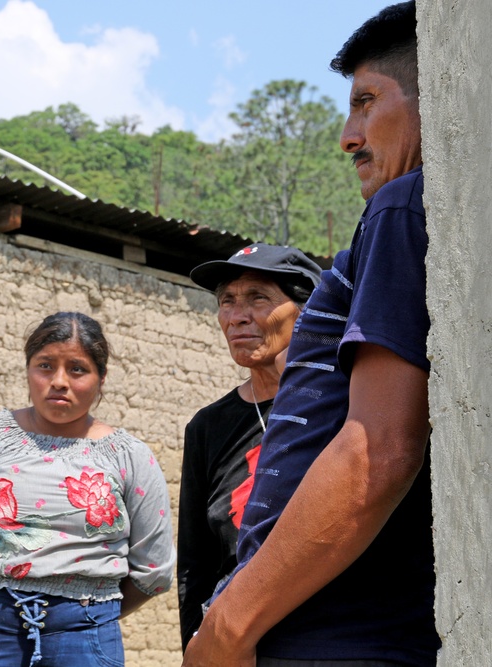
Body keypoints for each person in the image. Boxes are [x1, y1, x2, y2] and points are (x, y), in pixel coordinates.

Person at [183, 3, 437, 665]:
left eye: (366, 101)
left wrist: (231, 625)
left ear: (437, 96)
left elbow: (379, 449)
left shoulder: (400, 204)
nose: (348, 135)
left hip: (330, 637)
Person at [0, 312, 175, 667]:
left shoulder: (130, 457)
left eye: (77, 369)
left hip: (87, 634)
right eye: (45, 366)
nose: (59, 381)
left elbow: (155, 569)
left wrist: (91, 612)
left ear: (101, 378)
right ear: (27, 370)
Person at [178, 244, 322, 650]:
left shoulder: (339, 405)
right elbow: (196, 562)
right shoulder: (208, 427)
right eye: (227, 301)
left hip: (326, 635)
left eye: (258, 297)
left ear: (305, 308)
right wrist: (194, 644)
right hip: (236, 642)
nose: (237, 316)